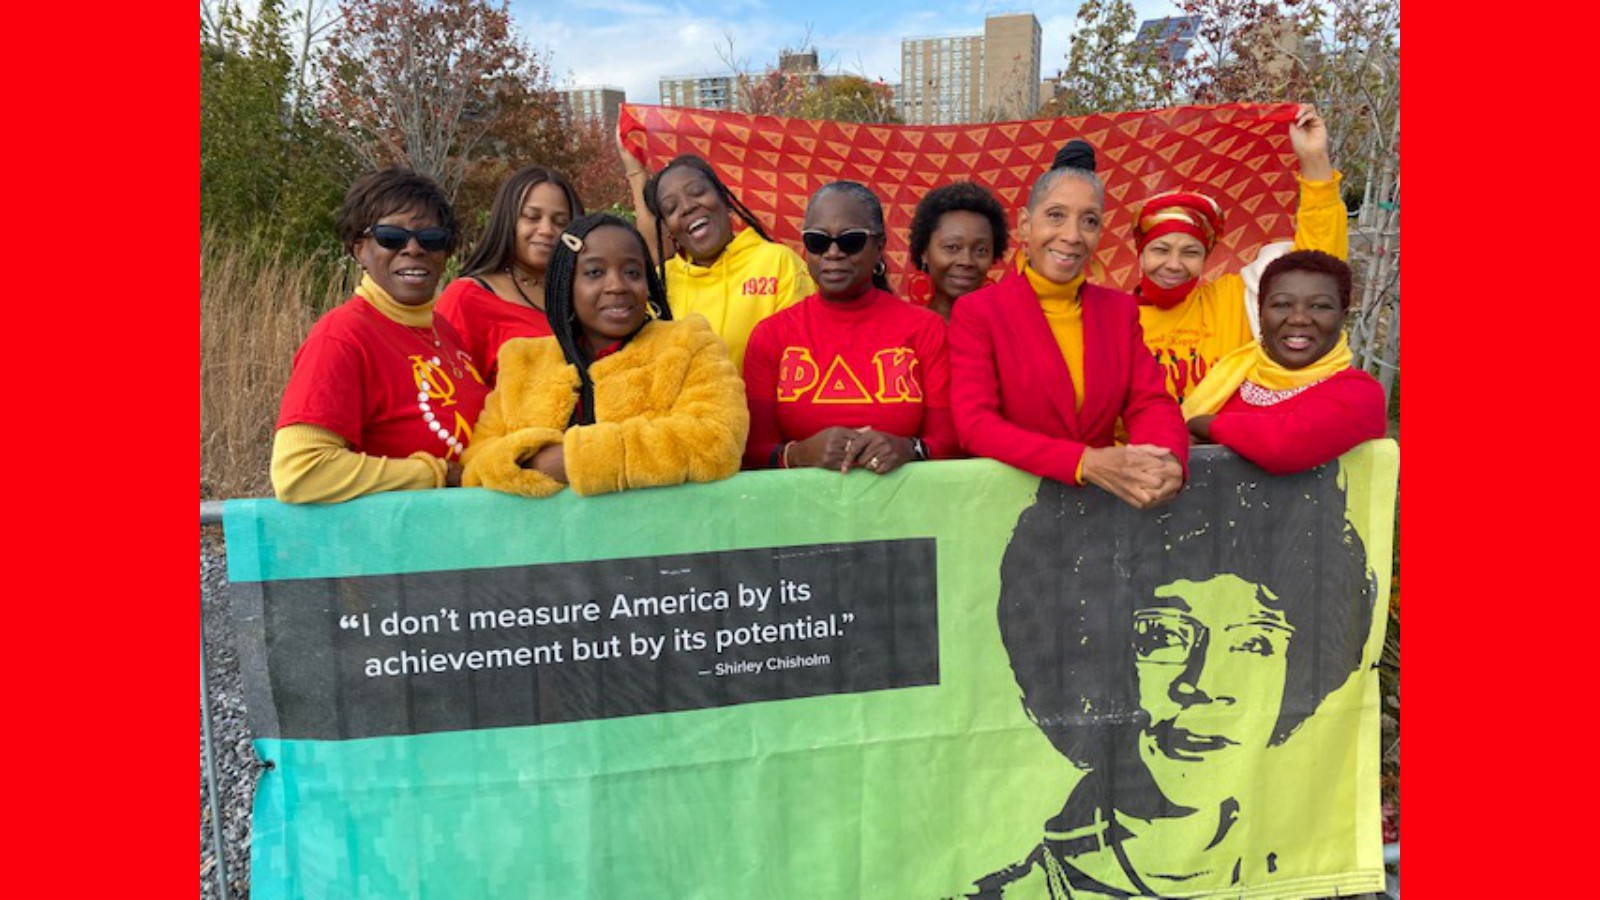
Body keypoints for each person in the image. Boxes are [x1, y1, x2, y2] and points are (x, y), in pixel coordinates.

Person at [970, 460, 1376, 898]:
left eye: (1254, 642)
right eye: (1164, 635)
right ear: (1091, 648)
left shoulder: (1318, 873)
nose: (1205, 685)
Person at [949, 141, 1187, 509]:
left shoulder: (1119, 311)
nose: (1073, 236)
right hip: (1010, 512)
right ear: (1026, 225)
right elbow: (975, 425)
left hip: (1104, 508)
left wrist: (1167, 458)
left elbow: (1150, 402)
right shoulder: (979, 312)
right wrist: (1084, 462)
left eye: (1089, 221)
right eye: (1056, 216)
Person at [462, 214, 748, 498]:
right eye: (595, 273)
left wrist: (571, 460)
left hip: (657, 539)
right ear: (566, 284)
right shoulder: (523, 360)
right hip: (545, 542)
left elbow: (717, 440)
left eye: (633, 273)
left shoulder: (689, 343)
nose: (617, 286)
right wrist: (529, 459)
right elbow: (476, 463)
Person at [271, 167, 488, 504]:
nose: (413, 248)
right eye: (391, 236)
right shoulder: (343, 336)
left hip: (462, 547)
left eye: (431, 238)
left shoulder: (444, 332)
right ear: (359, 249)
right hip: (393, 551)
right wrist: (435, 474)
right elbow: (300, 471)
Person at [1133, 104, 1348, 405]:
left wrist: (1314, 161)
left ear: (1205, 257)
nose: (1174, 264)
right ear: (1140, 252)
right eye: (1160, 249)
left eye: (1190, 252)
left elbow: (1319, 269)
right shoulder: (1112, 318)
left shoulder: (1232, 300)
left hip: (1228, 449)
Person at [743, 182, 958, 474]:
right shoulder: (770, 336)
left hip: (905, 513)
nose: (833, 253)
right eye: (818, 241)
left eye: (851, 241)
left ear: (879, 246)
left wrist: (908, 449)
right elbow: (750, 452)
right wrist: (801, 453)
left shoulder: (926, 329)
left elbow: (949, 441)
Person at [1182, 250, 1386, 474]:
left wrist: (1203, 424)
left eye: (1319, 306)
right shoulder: (1230, 376)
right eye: (1282, 304)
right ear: (1260, 313)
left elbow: (1284, 446)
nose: (1299, 318)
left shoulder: (1359, 394)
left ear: (1342, 316)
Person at [618, 138, 815, 369]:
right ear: (669, 230)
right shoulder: (658, 284)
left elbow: (805, 361)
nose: (687, 207)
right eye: (671, 208)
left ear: (724, 198)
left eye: (697, 192)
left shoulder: (778, 263)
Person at [436, 166, 584, 385]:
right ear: (508, 220)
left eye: (560, 222)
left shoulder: (584, 295)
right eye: (532, 217)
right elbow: (446, 391)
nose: (546, 230)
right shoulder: (467, 298)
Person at [907, 181, 1010, 319]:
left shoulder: (1006, 331)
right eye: (952, 247)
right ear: (924, 252)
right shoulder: (904, 332)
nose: (967, 261)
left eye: (981, 250)